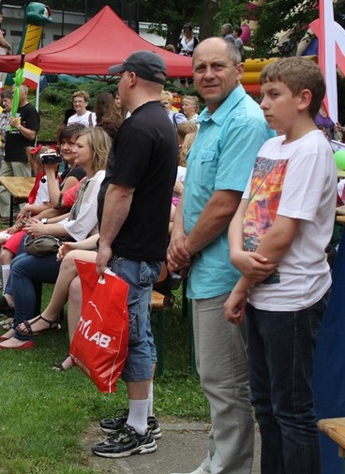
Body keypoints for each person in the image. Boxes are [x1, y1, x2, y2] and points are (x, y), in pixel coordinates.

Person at [224, 57, 336, 474]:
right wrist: (237, 255)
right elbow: (244, 209)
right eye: (261, 95)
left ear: (304, 99)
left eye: (273, 95)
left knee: (292, 411)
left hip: (292, 298)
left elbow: (282, 233)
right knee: (266, 407)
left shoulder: (312, 149)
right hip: (260, 292)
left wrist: (239, 286)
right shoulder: (272, 146)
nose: (264, 104)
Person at [167, 37, 273, 474]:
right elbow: (193, 191)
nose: (207, 74)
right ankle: (217, 462)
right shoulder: (211, 119)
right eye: (200, 67)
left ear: (237, 69)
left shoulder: (245, 121)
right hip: (203, 266)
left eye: (217, 66)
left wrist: (184, 249)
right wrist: (177, 234)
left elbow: (228, 201)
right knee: (216, 379)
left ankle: (226, 468)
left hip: (223, 271)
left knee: (226, 382)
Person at [89, 51, 177, 458]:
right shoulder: (160, 121)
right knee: (139, 334)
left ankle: (139, 428)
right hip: (144, 247)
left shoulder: (140, 126)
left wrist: (105, 243)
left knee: (134, 338)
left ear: (129, 78)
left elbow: (122, 192)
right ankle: (143, 416)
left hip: (133, 249)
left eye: (118, 79)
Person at [0, 127, 111, 350]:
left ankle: (25, 330)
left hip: (88, 252)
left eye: (80, 146)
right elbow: (70, 214)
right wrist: (43, 225)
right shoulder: (90, 180)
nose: (73, 150)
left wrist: (45, 228)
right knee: (21, 261)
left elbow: (79, 227)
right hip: (80, 247)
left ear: (95, 151)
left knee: (21, 267)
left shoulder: (97, 181)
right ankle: (24, 323)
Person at [0, 84, 39, 220]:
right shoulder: (14, 109)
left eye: (15, 93)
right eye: (12, 93)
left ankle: (25, 215)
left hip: (21, 155)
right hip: (9, 154)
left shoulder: (30, 110)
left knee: (23, 187)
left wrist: (18, 126)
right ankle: (5, 215)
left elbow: (32, 135)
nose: (13, 96)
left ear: (25, 94)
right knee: (2, 184)